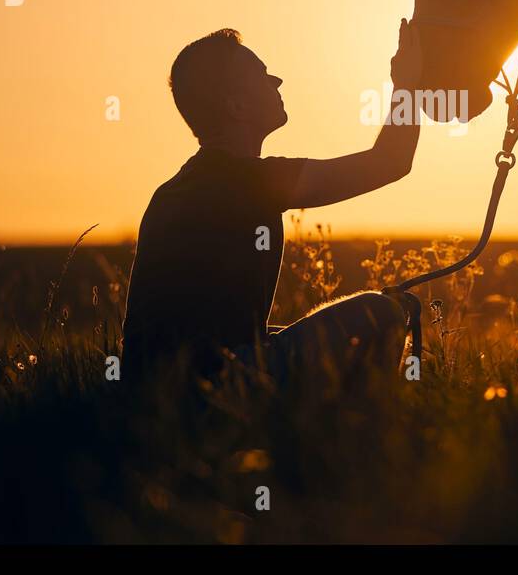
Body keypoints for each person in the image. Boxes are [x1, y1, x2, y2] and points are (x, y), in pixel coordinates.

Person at [121, 20, 421, 392]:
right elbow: (390, 161)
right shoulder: (248, 181)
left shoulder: (176, 189)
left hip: (150, 391)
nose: (276, 81)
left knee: (284, 334)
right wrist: (409, 83)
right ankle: (361, 432)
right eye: (262, 75)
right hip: (209, 386)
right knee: (384, 311)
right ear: (237, 105)